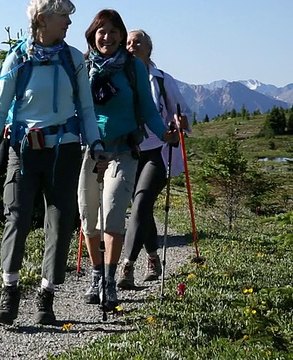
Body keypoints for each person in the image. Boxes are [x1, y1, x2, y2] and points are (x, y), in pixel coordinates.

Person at [0, 0, 104, 326]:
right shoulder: (17, 58)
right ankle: (10, 290)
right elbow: (1, 106)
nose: (69, 24)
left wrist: (97, 145)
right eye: (65, 17)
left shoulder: (74, 59)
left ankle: (46, 295)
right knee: (16, 216)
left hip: (66, 149)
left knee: (60, 223)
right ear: (44, 19)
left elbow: (86, 109)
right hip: (23, 150)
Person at [77, 9, 179, 310]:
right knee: (88, 219)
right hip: (90, 152)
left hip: (123, 151)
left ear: (121, 36)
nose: (107, 37)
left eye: (112, 31)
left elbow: (148, 110)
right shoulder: (82, 68)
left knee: (111, 213)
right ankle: (96, 274)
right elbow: (74, 109)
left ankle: (109, 280)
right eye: (101, 31)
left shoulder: (133, 68)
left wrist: (165, 135)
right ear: (93, 35)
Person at [117, 29, 191, 289]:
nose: (131, 45)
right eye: (128, 42)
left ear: (149, 49)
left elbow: (181, 111)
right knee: (142, 207)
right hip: (128, 151)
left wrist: (180, 122)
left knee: (140, 203)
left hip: (157, 151)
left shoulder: (161, 80)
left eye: (137, 41)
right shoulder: (119, 77)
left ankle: (126, 265)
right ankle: (152, 258)